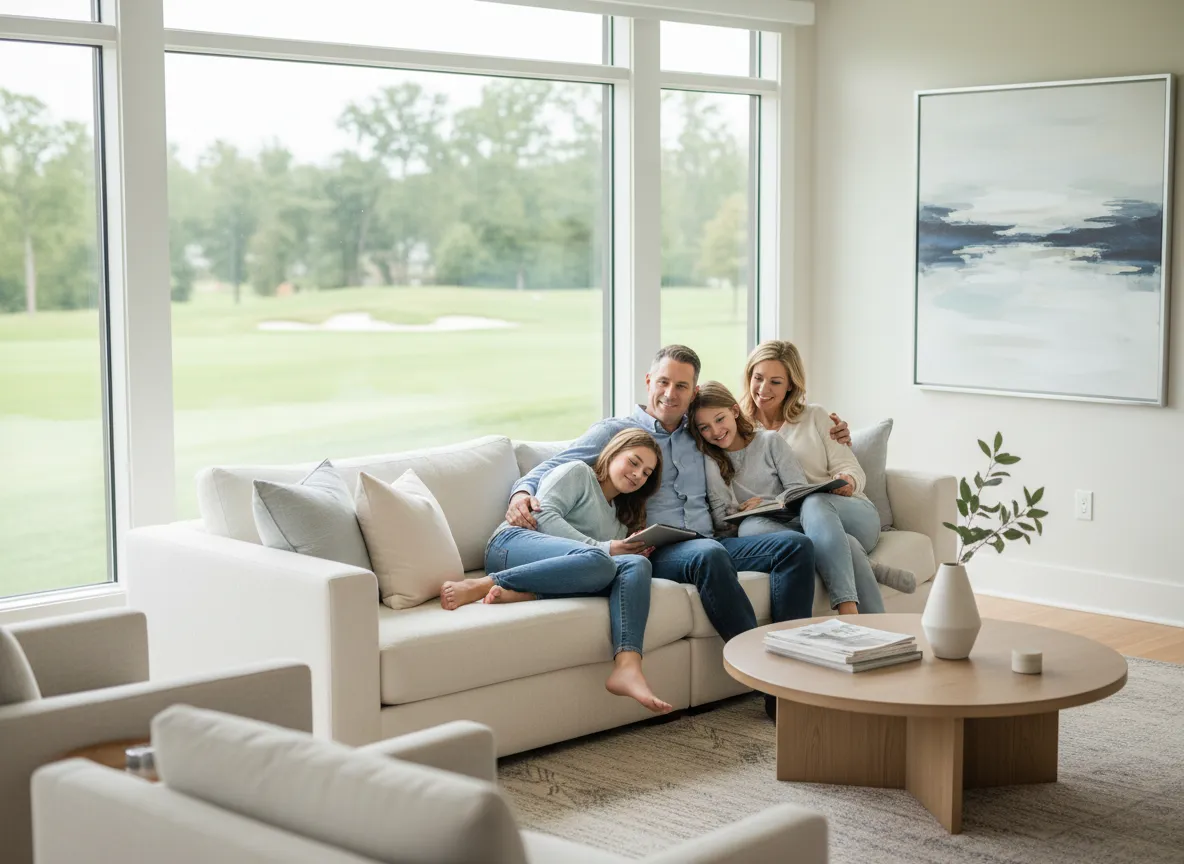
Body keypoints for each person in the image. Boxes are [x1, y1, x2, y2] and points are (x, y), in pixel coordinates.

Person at [505, 345, 824, 720]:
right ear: (648, 382)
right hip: (658, 549)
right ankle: (771, 683)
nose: (670, 394)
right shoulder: (618, 431)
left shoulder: (699, 430)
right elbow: (553, 466)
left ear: (693, 391)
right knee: (709, 556)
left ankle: (792, 669)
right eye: (663, 382)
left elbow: (747, 425)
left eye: (682, 386)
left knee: (796, 547)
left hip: (713, 540)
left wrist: (830, 430)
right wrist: (522, 492)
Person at [441, 428, 672, 714]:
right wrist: (605, 547)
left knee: (637, 565)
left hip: (561, 567)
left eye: (646, 472)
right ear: (613, 453)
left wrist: (624, 549)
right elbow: (543, 516)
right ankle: (483, 584)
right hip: (511, 545)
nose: (638, 474)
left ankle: (627, 665)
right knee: (602, 560)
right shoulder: (577, 473)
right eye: (634, 462)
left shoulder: (619, 520)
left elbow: (594, 562)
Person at [740, 340, 916, 614]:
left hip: (848, 513)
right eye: (758, 378)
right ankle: (865, 592)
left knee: (814, 503)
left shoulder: (816, 417)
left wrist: (847, 480)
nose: (763, 389)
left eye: (775, 381)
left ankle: (847, 608)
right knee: (748, 529)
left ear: (791, 385)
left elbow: (852, 468)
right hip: (794, 523)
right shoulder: (737, 429)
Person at [691, 380, 886, 614]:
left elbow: (798, 492)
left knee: (816, 509)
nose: (715, 431)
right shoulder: (710, 459)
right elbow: (723, 522)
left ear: (734, 411)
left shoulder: (769, 441)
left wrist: (766, 504)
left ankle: (850, 608)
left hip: (797, 519)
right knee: (749, 528)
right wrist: (742, 510)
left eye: (719, 419)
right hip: (768, 530)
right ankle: (838, 548)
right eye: (704, 428)